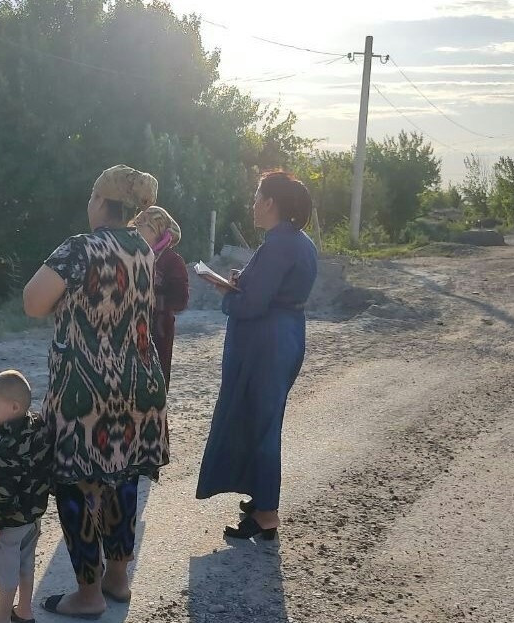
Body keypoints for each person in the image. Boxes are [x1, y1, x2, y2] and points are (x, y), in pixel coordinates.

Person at [23, 164, 169, 618]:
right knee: (123, 477)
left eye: (91, 197)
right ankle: (117, 578)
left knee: (74, 482)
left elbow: (32, 302)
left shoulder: (79, 248)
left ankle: (88, 594)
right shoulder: (143, 249)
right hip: (140, 384)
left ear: (101, 202)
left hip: (85, 388)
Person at [196, 171, 318, 540]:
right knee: (261, 419)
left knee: (260, 424)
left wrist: (228, 294)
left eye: (256, 197)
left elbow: (252, 304)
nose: (252, 204)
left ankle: (266, 514)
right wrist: (243, 281)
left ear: (269, 202)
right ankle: (263, 498)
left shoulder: (279, 243)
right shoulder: (298, 241)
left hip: (267, 342)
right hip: (285, 336)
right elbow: (274, 288)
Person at [0, 370, 52, 623]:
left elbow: (3, 493)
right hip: (35, 514)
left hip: (11, 521)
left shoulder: (6, 448)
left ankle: (1, 617)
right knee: (26, 563)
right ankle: (24, 611)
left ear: (14, 407)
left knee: (6, 568)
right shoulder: (40, 427)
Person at [132, 206, 189, 390]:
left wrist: (154, 296)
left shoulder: (172, 261)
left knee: (156, 382)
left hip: (158, 331)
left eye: (142, 227)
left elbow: (181, 300)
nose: (137, 231)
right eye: (136, 226)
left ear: (156, 231)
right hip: (130, 329)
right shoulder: (130, 255)